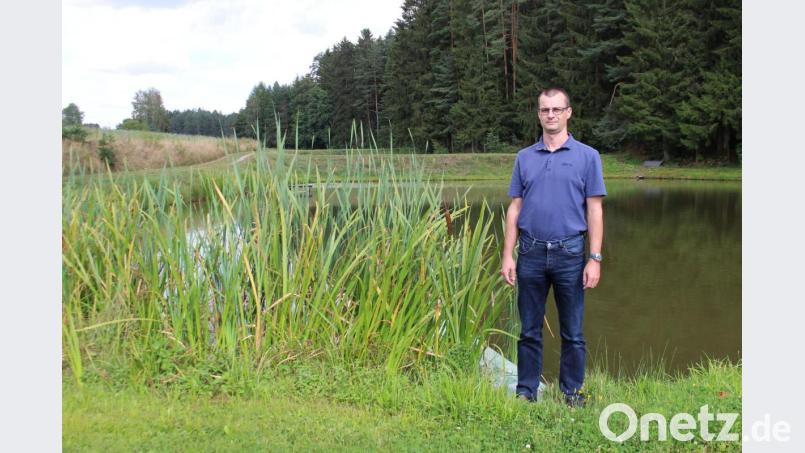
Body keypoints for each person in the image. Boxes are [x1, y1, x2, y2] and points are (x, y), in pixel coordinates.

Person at [501, 87, 606, 408]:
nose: (551, 115)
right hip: (530, 253)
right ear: (538, 115)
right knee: (529, 329)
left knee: (572, 332)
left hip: (571, 254)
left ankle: (572, 393)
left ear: (568, 112)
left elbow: (595, 209)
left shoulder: (587, 156)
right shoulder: (525, 157)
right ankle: (526, 392)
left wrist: (595, 258)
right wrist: (508, 254)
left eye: (557, 109)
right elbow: (515, 208)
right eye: (545, 110)